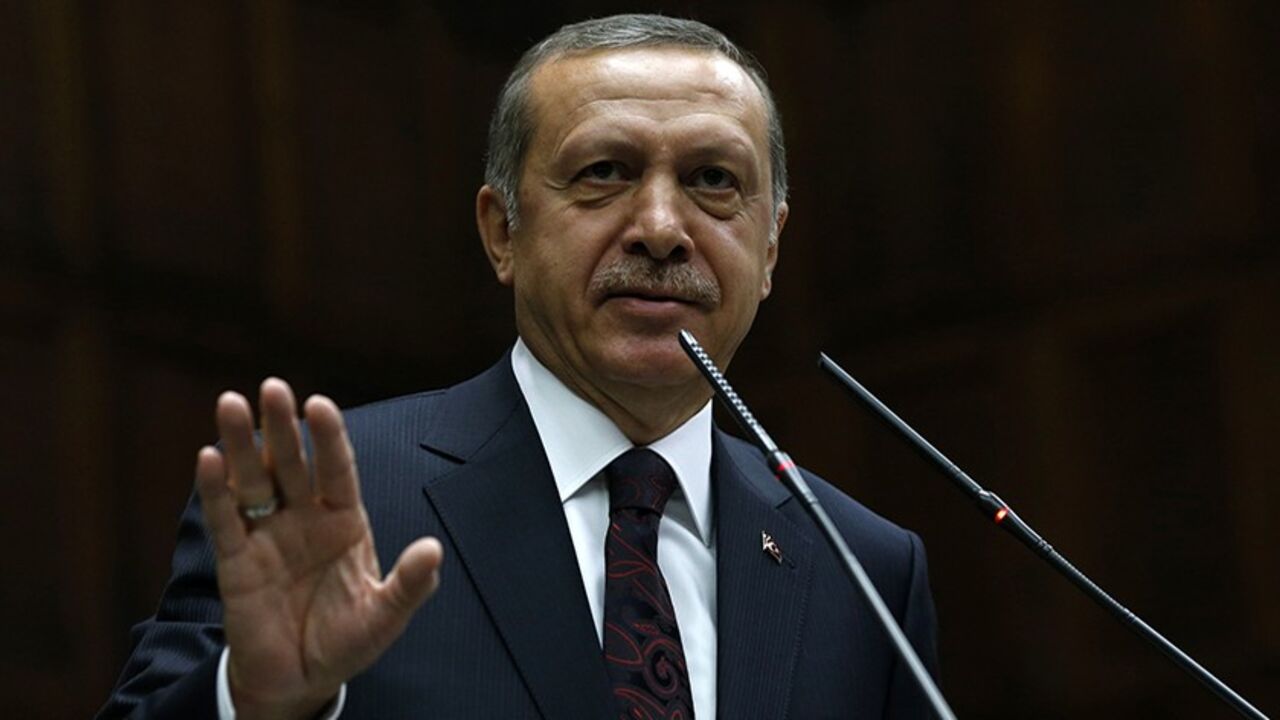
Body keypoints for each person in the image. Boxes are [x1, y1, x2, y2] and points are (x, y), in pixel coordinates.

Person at [99, 14, 939, 720]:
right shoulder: (330, 494)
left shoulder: (865, 568)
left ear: (769, 247)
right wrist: (252, 702)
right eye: (603, 173)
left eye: (712, 180)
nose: (659, 227)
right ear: (503, 232)